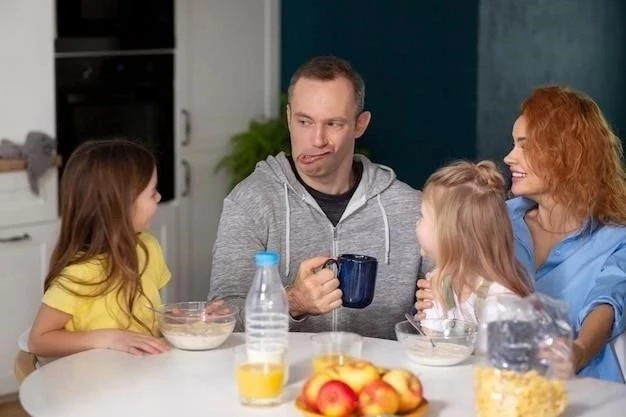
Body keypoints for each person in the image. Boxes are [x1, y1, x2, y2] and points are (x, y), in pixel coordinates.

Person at [416, 86, 626, 382]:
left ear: (566, 152)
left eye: (525, 146)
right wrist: (443, 296)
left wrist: (576, 351)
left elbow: (607, 305)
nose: (509, 157)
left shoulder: (616, 239)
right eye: (514, 144)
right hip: (493, 386)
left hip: (584, 387)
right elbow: (459, 272)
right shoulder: (501, 217)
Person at [210, 56, 425, 339]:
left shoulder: (412, 208)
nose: (317, 139)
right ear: (289, 118)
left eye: (333, 124)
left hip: (377, 378)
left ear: (360, 125)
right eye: (304, 121)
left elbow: (450, 316)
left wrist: (442, 307)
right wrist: (293, 301)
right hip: (283, 377)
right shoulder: (251, 202)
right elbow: (220, 318)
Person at [28, 139, 171, 357]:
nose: (159, 197)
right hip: (93, 384)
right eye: (152, 193)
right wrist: (107, 338)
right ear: (121, 205)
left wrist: (183, 318)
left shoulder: (149, 247)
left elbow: (148, 312)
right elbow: (39, 341)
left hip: (141, 376)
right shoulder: (81, 273)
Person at [416, 160, 532, 324]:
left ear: (450, 233)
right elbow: (434, 341)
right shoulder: (440, 281)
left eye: (423, 216)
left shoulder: (500, 301)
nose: (417, 223)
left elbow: (509, 348)